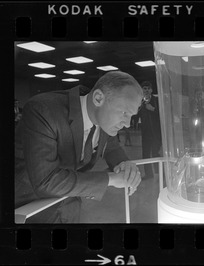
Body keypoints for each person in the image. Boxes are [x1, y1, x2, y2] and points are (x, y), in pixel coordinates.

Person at [15, 71, 144, 223]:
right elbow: (46, 181)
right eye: (124, 113)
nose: (128, 124)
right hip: (30, 208)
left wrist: (124, 163)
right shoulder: (43, 110)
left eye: (131, 116)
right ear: (98, 98)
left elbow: (111, 147)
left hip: (70, 205)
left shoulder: (104, 118)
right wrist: (111, 179)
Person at [136, 81, 162, 179]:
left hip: (156, 132)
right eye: (144, 88)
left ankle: (160, 173)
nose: (146, 90)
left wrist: (153, 110)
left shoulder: (156, 101)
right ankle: (149, 174)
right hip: (145, 132)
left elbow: (163, 115)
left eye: (148, 88)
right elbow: (135, 115)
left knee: (156, 153)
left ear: (151, 90)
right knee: (145, 154)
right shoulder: (140, 102)